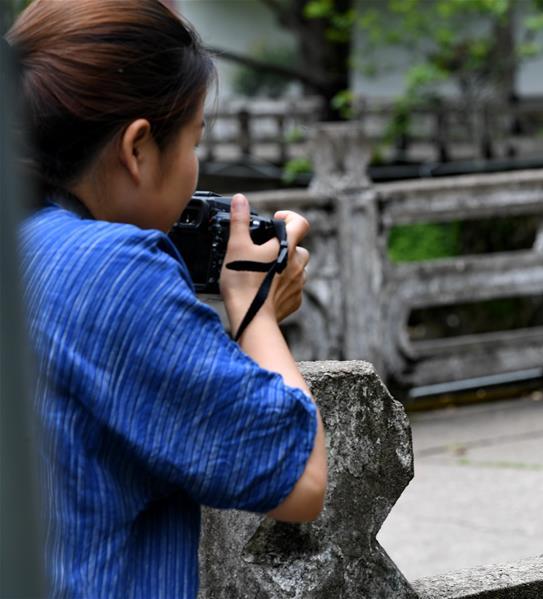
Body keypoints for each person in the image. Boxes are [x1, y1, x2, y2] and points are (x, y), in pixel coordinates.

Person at [8, 1, 327, 597]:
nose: (195, 168)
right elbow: (300, 476)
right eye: (193, 140)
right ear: (137, 148)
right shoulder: (111, 270)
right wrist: (254, 306)